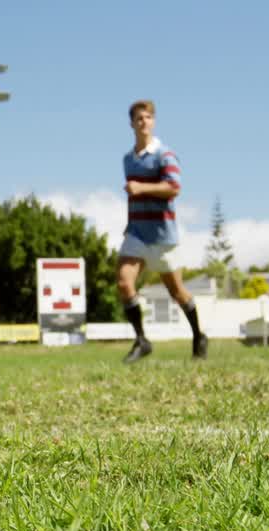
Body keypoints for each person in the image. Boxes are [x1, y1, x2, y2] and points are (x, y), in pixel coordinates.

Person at [116, 99, 207, 363]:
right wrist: (130, 220)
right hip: (136, 233)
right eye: (138, 118)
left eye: (147, 117)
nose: (143, 122)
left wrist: (141, 188)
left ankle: (199, 335)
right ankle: (142, 340)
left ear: (153, 121)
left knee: (177, 292)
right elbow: (134, 194)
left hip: (162, 237)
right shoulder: (128, 160)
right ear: (132, 124)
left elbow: (174, 187)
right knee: (124, 282)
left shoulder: (164, 154)